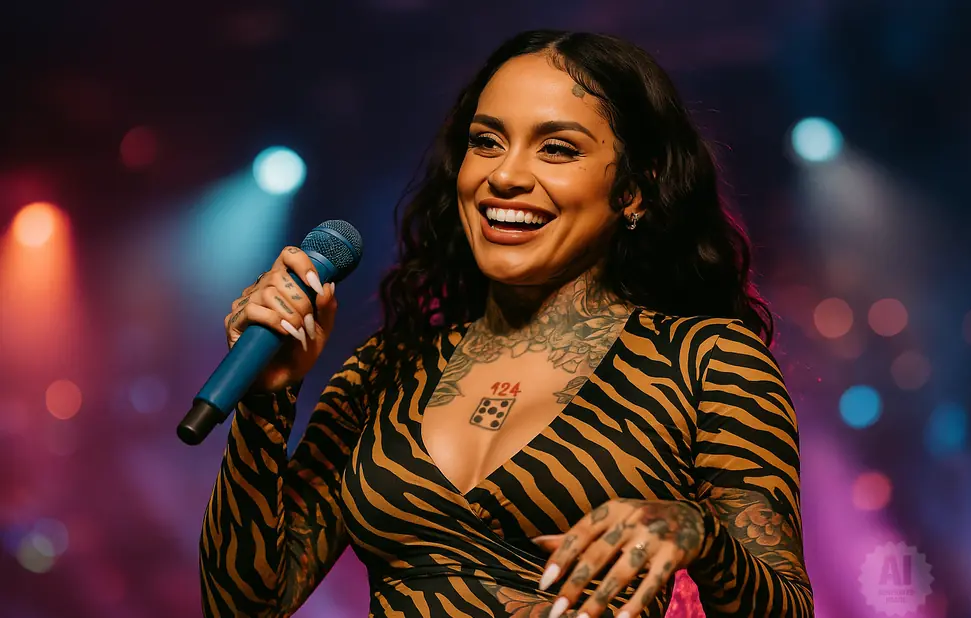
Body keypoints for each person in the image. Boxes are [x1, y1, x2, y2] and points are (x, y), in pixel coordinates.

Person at [199, 29, 813, 618]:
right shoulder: (384, 370)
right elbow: (244, 606)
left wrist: (696, 530)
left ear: (633, 188)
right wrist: (265, 405)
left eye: (558, 148)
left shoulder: (706, 360)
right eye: (487, 141)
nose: (506, 175)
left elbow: (786, 607)